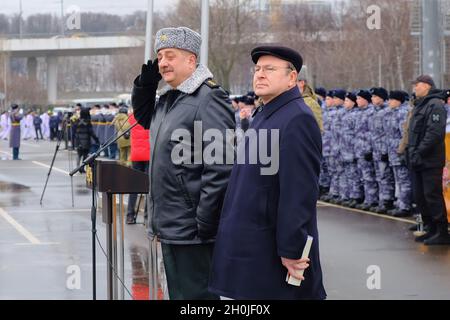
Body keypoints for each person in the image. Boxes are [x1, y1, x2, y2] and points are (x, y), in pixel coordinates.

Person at [209, 46, 326, 300]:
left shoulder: (297, 119)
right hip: (249, 246)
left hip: (271, 254)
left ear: (292, 78)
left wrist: (292, 249)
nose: (260, 75)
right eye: (257, 69)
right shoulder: (266, 113)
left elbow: (299, 192)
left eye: (270, 69)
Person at [132, 26, 235, 299]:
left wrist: (204, 221)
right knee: (180, 295)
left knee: (196, 298)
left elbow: (221, 167)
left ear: (191, 60)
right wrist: (146, 83)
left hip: (191, 229)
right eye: (160, 57)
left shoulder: (208, 99)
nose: (163, 62)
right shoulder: (171, 99)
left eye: (170, 56)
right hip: (171, 224)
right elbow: (145, 119)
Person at [406, 75, 450, 245]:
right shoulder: (422, 105)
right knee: (421, 196)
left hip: (430, 160)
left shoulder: (435, 105)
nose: (414, 89)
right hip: (418, 159)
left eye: (417, 85)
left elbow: (434, 134)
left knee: (432, 196)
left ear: (426, 86)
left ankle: (442, 232)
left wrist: (419, 151)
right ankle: (431, 229)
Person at [385, 91, 413, 217]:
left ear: (398, 101)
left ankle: (405, 206)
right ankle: (401, 203)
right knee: (399, 180)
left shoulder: (402, 113)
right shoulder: (393, 112)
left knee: (404, 180)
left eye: (391, 99)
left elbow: (404, 135)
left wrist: (403, 153)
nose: (389, 102)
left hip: (400, 152)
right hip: (394, 152)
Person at [126, 112, 150, 225]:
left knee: (134, 186)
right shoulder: (152, 115)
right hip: (149, 155)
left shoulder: (132, 116)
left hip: (136, 155)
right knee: (149, 188)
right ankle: (147, 217)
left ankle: (130, 216)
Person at [74, 108, 99, 174]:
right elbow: (91, 132)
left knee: (79, 154)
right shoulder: (88, 121)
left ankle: (77, 167)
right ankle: (82, 168)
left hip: (78, 140)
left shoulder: (77, 121)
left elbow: (74, 130)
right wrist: (96, 139)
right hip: (86, 140)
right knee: (85, 155)